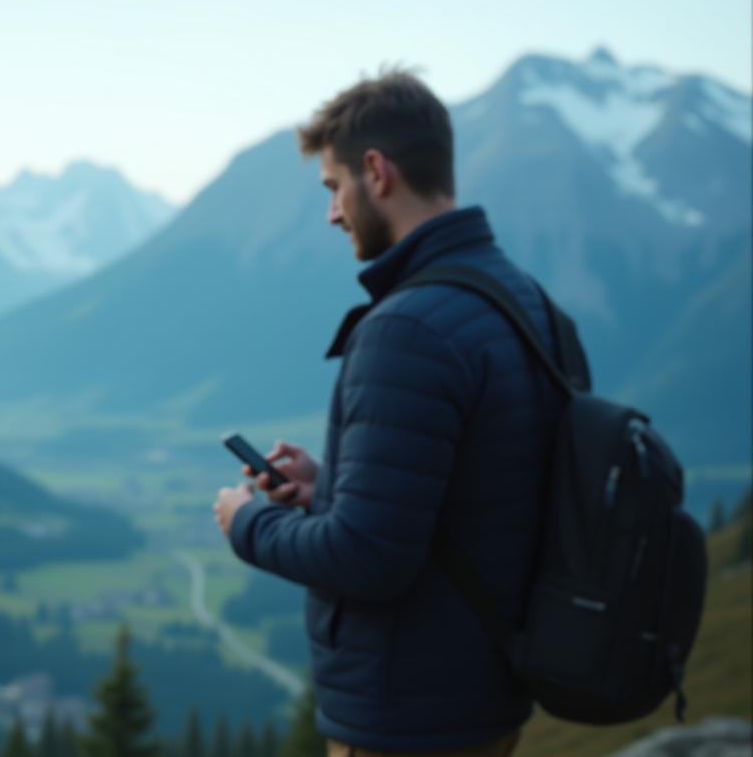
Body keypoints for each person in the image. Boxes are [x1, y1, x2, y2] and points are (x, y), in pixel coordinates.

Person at [213, 69, 587, 756]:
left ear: (376, 171)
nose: (332, 213)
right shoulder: (533, 308)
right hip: (487, 698)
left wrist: (249, 524)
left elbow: (367, 559)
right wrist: (336, 486)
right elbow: (490, 500)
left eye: (333, 187)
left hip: (403, 720)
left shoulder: (407, 329)